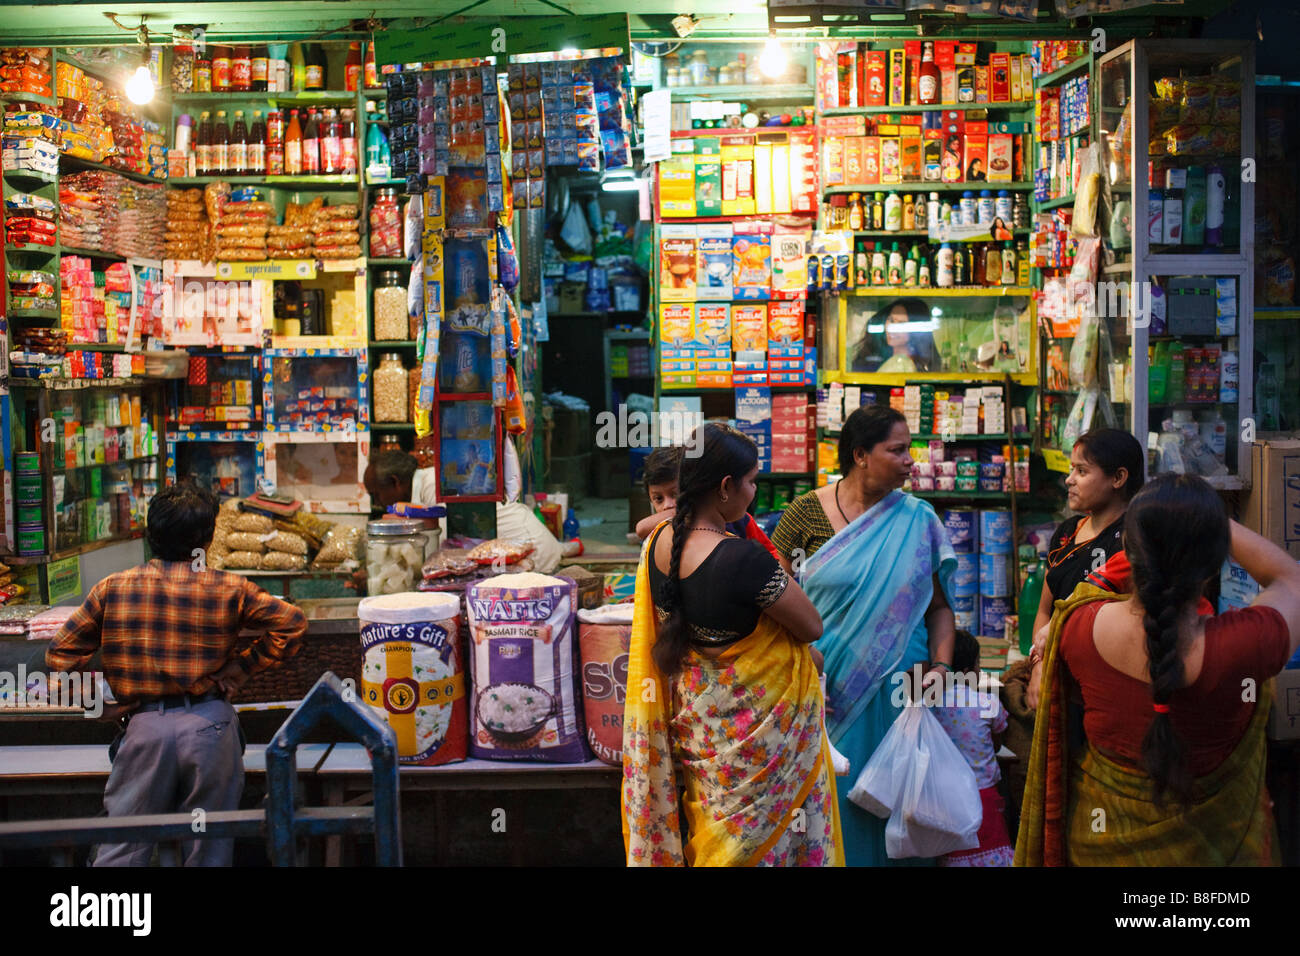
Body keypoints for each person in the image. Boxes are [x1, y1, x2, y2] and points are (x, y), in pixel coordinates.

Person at [1017, 474, 1300, 866]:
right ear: (1215, 560)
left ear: (1127, 549)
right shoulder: (1246, 645)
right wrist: (1214, 519)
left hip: (1099, 847)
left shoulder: (1077, 629)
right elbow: (1291, 578)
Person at [46, 482, 308, 866]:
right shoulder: (229, 588)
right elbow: (293, 624)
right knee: (209, 847)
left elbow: (60, 656)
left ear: (149, 534)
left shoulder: (113, 588)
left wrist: (100, 704)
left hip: (145, 728)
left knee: (123, 845)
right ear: (209, 537)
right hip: (210, 727)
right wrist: (242, 668)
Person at [622, 423, 843, 866]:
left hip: (705, 734)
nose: (754, 491)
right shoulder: (744, 558)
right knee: (772, 846)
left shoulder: (659, 544)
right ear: (725, 487)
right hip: (759, 745)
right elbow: (811, 626)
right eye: (751, 480)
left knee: (721, 842)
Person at [772, 405, 956, 866]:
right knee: (834, 811)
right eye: (897, 450)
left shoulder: (920, 520)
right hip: (826, 694)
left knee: (901, 808)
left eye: (909, 448)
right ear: (860, 455)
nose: (910, 459)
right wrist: (803, 661)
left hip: (903, 697)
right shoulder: (806, 516)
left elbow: (939, 610)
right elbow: (770, 607)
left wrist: (941, 667)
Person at [1026, 429, 1144, 709]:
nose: (1069, 480)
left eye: (1081, 471)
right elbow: (1046, 609)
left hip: (1106, 686)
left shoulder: (1135, 541)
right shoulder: (1067, 532)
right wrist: (1039, 666)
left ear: (1118, 478)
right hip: (1055, 672)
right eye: (1071, 470)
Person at [363, 448, 562, 574]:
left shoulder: (433, 485)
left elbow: (439, 552)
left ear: (395, 483)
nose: (378, 502)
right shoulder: (424, 487)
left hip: (536, 555)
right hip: (515, 557)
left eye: (376, 494)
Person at [931, 630, 1014, 867]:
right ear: (967, 673)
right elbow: (998, 742)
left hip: (945, 799)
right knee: (991, 855)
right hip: (984, 795)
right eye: (978, 665)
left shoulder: (930, 704)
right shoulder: (988, 702)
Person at [633, 444, 779, 560]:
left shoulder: (740, 521)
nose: (667, 505)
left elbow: (773, 558)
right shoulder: (660, 532)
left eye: (675, 494)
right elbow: (641, 528)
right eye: (658, 498)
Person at [851, 298, 937, 373]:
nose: (892, 328)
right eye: (891, 320)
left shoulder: (905, 365)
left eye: (901, 323)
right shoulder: (881, 359)